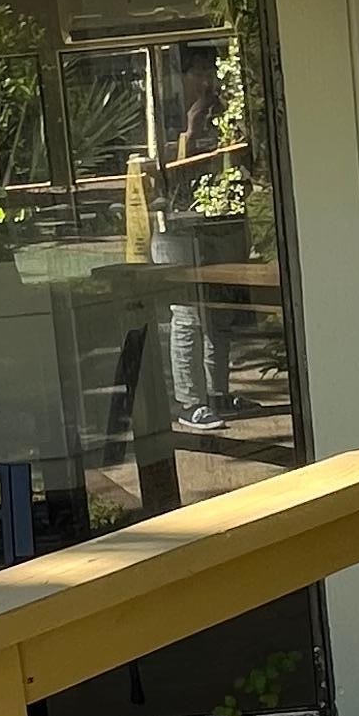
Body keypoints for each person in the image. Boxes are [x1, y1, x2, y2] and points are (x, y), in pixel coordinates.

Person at [151, 43, 237, 434]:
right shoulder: (159, 112)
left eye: (210, 71)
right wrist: (192, 125)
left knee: (218, 310)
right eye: (198, 72)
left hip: (218, 219)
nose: (206, 80)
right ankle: (190, 402)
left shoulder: (221, 108)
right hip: (176, 224)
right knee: (186, 313)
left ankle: (218, 392)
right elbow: (167, 171)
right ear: (181, 75)